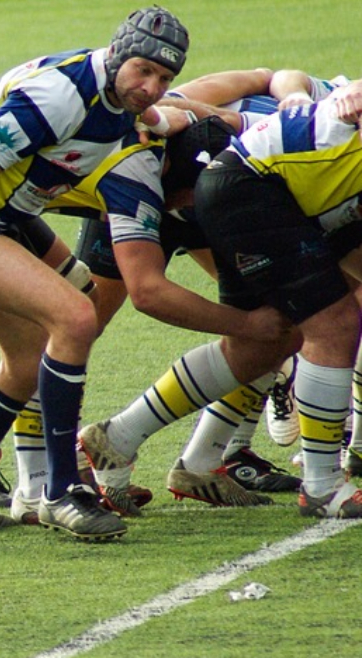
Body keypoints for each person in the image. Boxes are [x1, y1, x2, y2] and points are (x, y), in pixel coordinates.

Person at [0, 6, 195, 541]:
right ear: (117, 55)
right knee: (75, 318)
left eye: (165, 78)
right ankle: (61, 492)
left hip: (8, 212)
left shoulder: (125, 101)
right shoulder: (60, 95)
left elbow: (170, 114)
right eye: (144, 72)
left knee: (32, 350)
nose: (152, 87)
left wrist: (205, 116)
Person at [84, 80, 362, 519]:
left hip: (269, 189)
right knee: (75, 325)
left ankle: (119, 438)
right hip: (239, 187)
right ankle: (323, 483)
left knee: (275, 338)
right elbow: (148, 293)